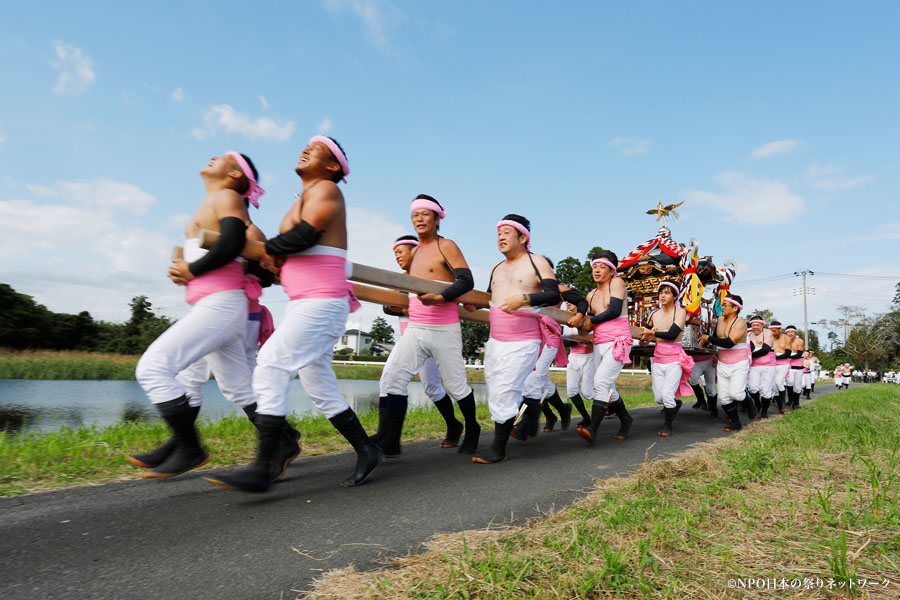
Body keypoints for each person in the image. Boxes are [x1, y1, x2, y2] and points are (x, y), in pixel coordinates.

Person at [204, 135, 383, 493]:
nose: (306, 149)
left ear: (332, 166)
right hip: (305, 301)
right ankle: (367, 449)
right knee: (319, 385)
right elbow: (282, 257)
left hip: (323, 301)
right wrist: (269, 262)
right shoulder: (302, 197)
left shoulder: (327, 190)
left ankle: (264, 464)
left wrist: (271, 249)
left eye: (315, 148)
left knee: (270, 364)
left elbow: (304, 234)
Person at [131, 151, 268, 479]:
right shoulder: (214, 202)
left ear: (235, 176)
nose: (211, 157)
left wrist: (192, 270)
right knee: (238, 386)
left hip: (222, 305)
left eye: (222, 157)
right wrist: (188, 272)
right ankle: (283, 440)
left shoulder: (227, 196)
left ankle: (189, 447)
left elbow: (233, 242)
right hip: (216, 304)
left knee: (153, 368)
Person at [378, 195, 480, 457]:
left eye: (425, 214)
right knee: (394, 380)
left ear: (436, 219)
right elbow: (403, 289)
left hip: (444, 329)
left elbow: (466, 280)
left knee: (457, 388)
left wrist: (441, 296)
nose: (419, 219)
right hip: (416, 329)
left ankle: (472, 427)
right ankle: (390, 441)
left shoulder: (446, 245)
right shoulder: (414, 254)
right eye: (415, 215)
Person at [473, 215, 561, 464]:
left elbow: (553, 294)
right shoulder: (496, 268)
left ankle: (498, 450)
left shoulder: (537, 262)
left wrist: (523, 300)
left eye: (507, 232)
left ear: (523, 237)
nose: (501, 236)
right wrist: (472, 304)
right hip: (495, 340)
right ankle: (530, 416)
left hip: (524, 339)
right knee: (496, 387)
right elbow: (489, 298)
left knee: (506, 389)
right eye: (498, 232)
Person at [374, 234, 462, 449]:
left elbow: (441, 301)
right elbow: (386, 306)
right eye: (395, 253)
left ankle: (454, 425)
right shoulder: (399, 279)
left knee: (432, 386)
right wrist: (403, 307)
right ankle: (386, 436)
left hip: (433, 333)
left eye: (400, 251)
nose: (397, 256)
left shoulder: (431, 275)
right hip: (409, 337)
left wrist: (406, 307)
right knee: (388, 379)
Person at [576, 249, 634, 445]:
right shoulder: (591, 294)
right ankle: (626, 419)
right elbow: (588, 318)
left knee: (601, 381)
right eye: (594, 266)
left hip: (619, 342)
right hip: (599, 343)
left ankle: (593, 429)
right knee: (604, 384)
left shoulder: (617, 283)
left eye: (602, 266)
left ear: (612, 271)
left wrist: (590, 322)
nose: (597, 270)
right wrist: (583, 325)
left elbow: (614, 310)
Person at [639, 281, 692, 437]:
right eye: (661, 292)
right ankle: (675, 404)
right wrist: (642, 339)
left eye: (667, 292)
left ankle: (667, 426)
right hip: (658, 359)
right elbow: (644, 334)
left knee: (668, 395)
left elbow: (672, 335)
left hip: (675, 359)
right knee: (659, 397)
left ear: (675, 296)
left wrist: (651, 334)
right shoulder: (653, 314)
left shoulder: (681, 312)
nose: (662, 295)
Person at [699, 294, 748, 432]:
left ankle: (748, 400)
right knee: (725, 398)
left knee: (737, 394)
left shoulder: (740, 323)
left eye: (725, 305)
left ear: (735, 308)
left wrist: (709, 338)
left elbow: (729, 343)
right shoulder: (720, 319)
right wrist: (706, 340)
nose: (723, 307)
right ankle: (736, 423)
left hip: (738, 363)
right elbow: (715, 338)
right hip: (722, 363)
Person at [747, 315, 776, 419]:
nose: (755, 327)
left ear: (762, 325)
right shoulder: (749, 334)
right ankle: (757, 403)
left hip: (768, 366)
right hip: (754, 365)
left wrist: (749, 355)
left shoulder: (767, 333)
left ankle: (764, 412)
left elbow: (765, 349)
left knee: (765, 390)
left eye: (757, 325)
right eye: (753, 325)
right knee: (752, 388)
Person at [770, 321, 790, 414]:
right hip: (772, 364)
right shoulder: (769, 338)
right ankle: (780, 406)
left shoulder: (786, 338)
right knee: (773, 386)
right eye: (771, 331)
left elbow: (788, 353)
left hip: (783, 364)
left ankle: (783, 405)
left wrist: (776, 357)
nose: (773, 333)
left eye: (775, 331)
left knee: (779, 382)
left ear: (779, 329)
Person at [784, 326, 805, 408]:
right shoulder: (784, 341)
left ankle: (796, 402)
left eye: (792, 332)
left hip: (798, 367)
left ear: (795, 332)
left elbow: (799, 353)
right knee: (789, 383)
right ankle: (790, 400)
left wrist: (786, 356)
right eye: (788, 332)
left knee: (797, 386)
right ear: (786, 333)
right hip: (789, 367)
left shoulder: (800, 341)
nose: (790, 333)